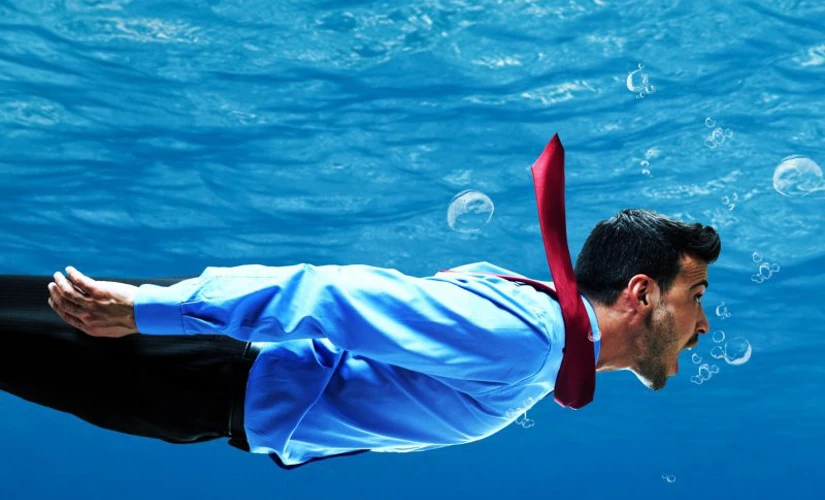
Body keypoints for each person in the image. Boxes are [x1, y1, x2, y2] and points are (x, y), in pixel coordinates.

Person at [2, 208, 720, 470]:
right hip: (198, 367)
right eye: (695, 297)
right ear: (640, 294)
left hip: (206, 366)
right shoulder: (528, 339)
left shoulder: (537, 330)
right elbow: (332, 296)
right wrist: (151, 313)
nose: (703, 324)